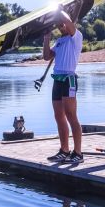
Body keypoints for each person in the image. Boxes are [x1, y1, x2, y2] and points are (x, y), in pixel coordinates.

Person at [43, 9, 83, 164]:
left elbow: (66, 21)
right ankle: (64, 150)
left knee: (71, 115)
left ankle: (78, 153)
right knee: (58, 116)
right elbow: (47, 56)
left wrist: (57, 9)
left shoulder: (76, 37)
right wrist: (46, 38)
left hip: (69, 79)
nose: (61, 26)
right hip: (57, 79)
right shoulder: (59, 41)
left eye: (62, 24)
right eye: (58, 25)